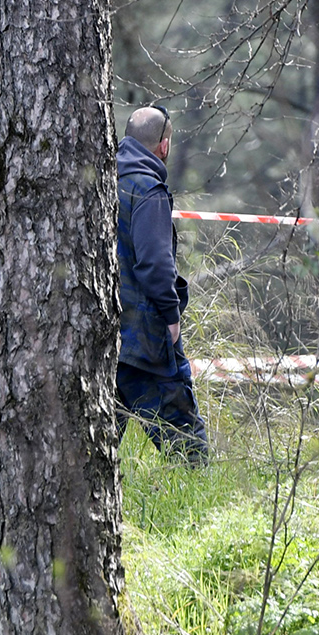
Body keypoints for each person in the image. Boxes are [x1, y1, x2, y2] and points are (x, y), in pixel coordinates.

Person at [116, 105, 207, 465]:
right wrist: (171, 317)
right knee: (185, 440)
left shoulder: (102, 183)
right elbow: (154, 263)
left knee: (94, 441)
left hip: (102, 330)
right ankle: (196, 492)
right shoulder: (148, 190)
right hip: (144, 336)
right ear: (163, 146)